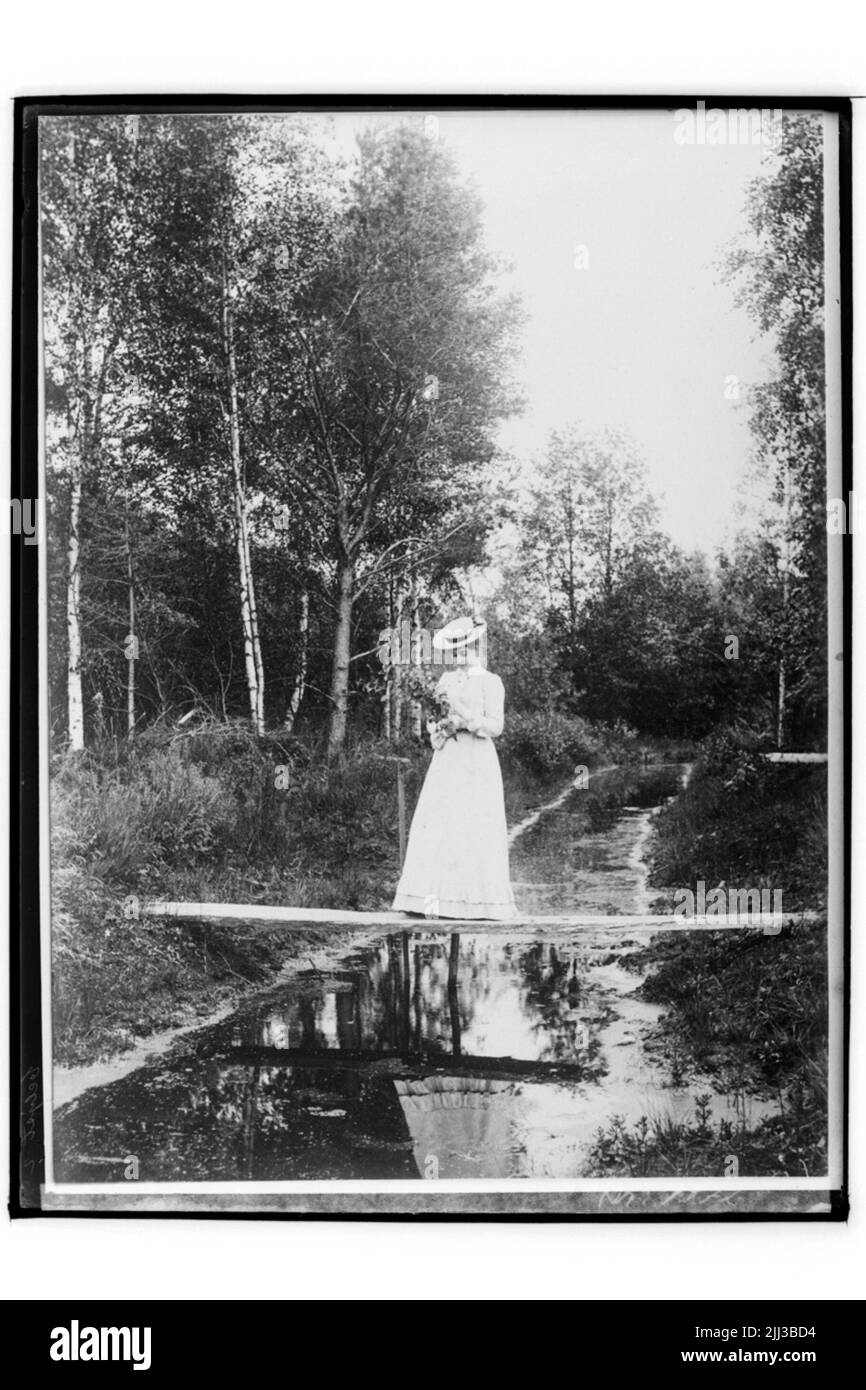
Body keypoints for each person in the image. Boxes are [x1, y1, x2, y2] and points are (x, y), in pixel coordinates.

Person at [392, 617, 516, 921]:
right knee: (441, 823)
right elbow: (432, 718)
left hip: (477, 760)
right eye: (456, 648)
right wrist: (441, 727)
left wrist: (464, 721)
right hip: (448, 758)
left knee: (473, 826)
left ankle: (478, 905)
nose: (460, 654)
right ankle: (432, 903)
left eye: (466, 647)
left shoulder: (491, 681)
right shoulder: (445, 681)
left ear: (477, 647)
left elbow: (496, 726)